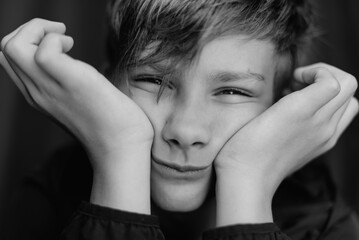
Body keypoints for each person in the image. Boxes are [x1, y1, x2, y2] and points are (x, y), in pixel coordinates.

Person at [0, 0, 359, 239]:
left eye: (232, 91)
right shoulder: (47, 200)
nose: (185, 131)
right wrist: (118, 152)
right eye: (153, 80)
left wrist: (247, 180)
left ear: (281, 107)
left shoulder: (325, 225)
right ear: (107, 86)